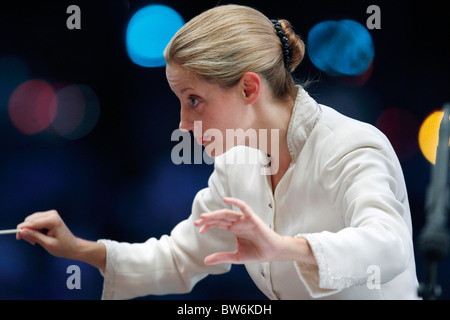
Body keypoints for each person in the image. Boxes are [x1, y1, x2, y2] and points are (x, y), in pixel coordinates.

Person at [17, 4, 420, 299]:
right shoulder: (236, 163)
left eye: (193, 99)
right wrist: (77, 249)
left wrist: (284, 248)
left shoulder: (350, 145)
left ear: (249, 88)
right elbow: (180, 257)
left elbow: (389, 244)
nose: (182, 124)